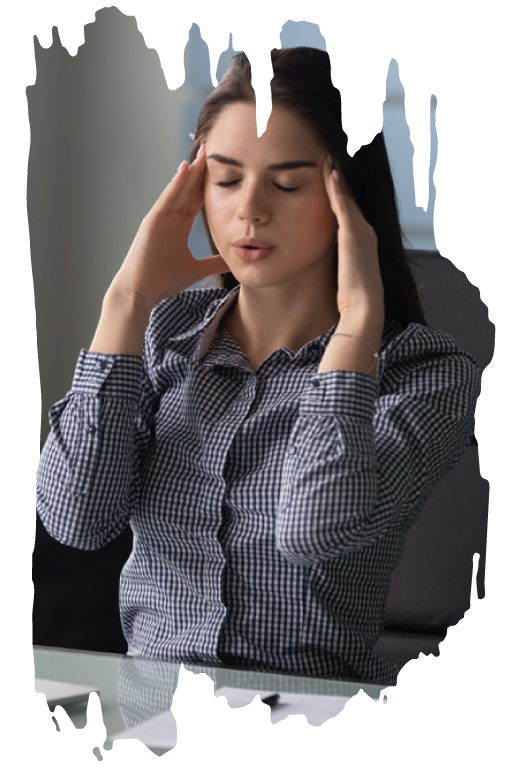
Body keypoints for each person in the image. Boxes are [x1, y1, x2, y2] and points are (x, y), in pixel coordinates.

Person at [36, 48, 481, 686]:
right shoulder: (164, 339)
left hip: (313, 706)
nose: (249, 209)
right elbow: (77, 519)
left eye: (288, 183)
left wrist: (356, 331)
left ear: (348, 196)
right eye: (224, 179)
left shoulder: (425, 373)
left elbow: (314, 530)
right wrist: (125, 303)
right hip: (151, 710)